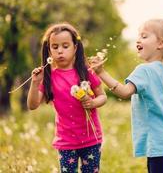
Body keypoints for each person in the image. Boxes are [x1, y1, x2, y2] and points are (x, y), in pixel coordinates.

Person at [91, 19, 163, 173]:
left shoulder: (144, 70)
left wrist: (101, 72)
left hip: (157, 142)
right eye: (139, 36)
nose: (138, 40)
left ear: (161, 44)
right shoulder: (160, 70)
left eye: (144, 36)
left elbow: (124, 92)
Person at [27, 23, 107, 173]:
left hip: (91, 138)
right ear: (49, 51)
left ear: (75, 47)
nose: (60, 51)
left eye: (65, 46)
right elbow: (32, 105)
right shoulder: (48, 78)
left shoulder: (87, 72)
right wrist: (35, 82)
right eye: (55, 47)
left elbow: (103, 96)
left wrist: (92, 102)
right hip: (66, 141)